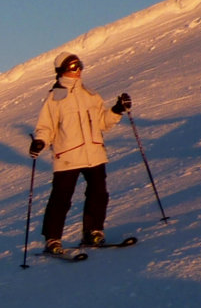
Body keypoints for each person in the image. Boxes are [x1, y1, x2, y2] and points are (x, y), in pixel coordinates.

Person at [28, 53, 132, 253]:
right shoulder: (55, 97)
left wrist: (117, 110)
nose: (78, 70)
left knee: (98, 194)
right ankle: (52, 239)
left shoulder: (90, 94)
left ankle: (93, 231)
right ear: (61, 70)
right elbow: (46, 127)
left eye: (80, 65)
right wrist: (40, 141)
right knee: (61, 198)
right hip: (68, 155)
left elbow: (102, 122)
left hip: (94, 152)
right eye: (73, 66)